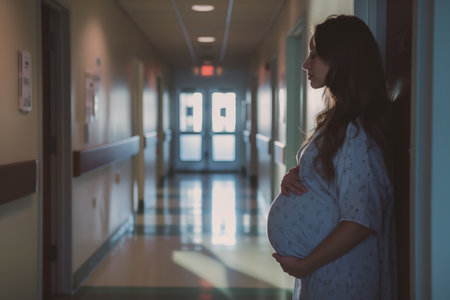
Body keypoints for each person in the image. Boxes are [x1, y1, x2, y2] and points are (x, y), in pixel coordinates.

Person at [266, 15, 397, 299]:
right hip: (327, 273)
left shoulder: (358, 133)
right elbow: (332, 183)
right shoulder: (339, 122)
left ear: (340, 59)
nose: (305, 64)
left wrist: (304, 265)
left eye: (315, 54)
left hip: (344, 277)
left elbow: (360, 221)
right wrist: (295, 176)